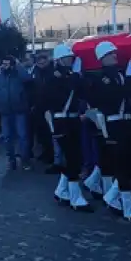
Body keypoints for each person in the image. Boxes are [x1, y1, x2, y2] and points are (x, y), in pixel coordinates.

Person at [83, 41, 131, 222]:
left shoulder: (120, 75)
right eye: (111, 54)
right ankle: (127, 204)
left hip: (127, 125)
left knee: (129, 164)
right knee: (121, 165)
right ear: (102, 58)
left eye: (114, 53)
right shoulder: (100, 78)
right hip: (112, 126)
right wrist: (130, 81)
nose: (115, 56)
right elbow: (110, 97)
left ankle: (112, 195)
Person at [45, 44, 92, 212]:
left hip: (73, 121)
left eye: (71, 58)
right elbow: (56, 96)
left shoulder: (72, 76)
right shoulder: (53, 78)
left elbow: (84, 91)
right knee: (73, 158)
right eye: (67, 58)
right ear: (59, 60)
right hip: (60, 122)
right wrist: (73, 77)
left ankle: (61, 191)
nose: (70, 61)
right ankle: (75, 197)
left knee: (73, 156)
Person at [0, 55, 32, 171]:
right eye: (3, 64)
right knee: (7, 137)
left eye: (7, 64)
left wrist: (18, 66)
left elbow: (28, 79)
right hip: (5, 112)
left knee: (23, 136)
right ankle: (11, 159)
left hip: (19, 111)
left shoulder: (19, 75)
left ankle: (25, 160)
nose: (4, 66)